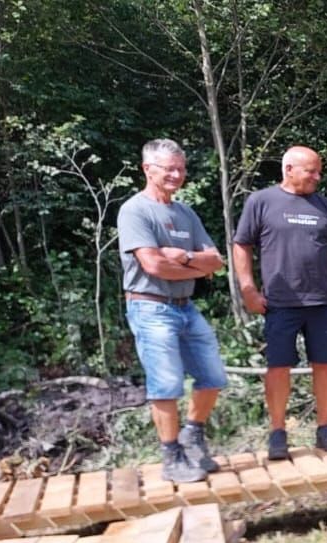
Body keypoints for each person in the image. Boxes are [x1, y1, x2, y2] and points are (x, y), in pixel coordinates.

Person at [232, 146, 327, 459]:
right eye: (310, 171)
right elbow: (241, 245)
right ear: (288, 169)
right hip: (279, 302)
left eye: (318, 171)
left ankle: (325, 428)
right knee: (278, 366)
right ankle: (277, 433)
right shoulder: (261, 201)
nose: (317, 176)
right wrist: (248, 288)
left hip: (323, 301)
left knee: (325, 366)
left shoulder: (326, 206)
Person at [118, 139, 227, 482]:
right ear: (148, 169)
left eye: (181, 169)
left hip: (186, 307)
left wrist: (184, 256)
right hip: (150, 307)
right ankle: (171, 458)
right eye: (169, 169)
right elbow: (153, 266)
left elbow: (218, 261)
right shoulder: (135, 210)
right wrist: (196, 267)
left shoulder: (185, 213)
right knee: (165, 384)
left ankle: (193, 436)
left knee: (212, 377)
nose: (177, 175)